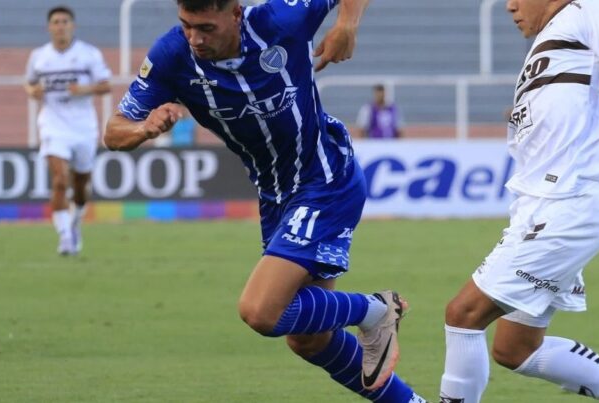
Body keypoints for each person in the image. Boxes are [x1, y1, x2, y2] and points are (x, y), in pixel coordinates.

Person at [104, 1, 425, 402]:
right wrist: (143, 130)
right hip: (276, 197)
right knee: (308, 340)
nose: (195, 39)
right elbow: (113, 132)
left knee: (260, 311)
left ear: (235, 14)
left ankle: (377, 310)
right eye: (186, 26)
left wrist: (347, 24)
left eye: (206, 27)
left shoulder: (281, 19)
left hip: (324, 179)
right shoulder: (172, 55)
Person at [439, 1, 599, 402]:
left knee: (463, 314)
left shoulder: (587, 9)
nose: (509, 6)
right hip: (540, 207)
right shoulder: (546, 44)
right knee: (514, 348)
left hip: (568, 204)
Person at [25, 5, 112, 256]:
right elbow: (30, 84)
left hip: (83, 126)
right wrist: (33, 92)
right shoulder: (39, 56)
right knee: (60, 180)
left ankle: (75, 221)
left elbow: (105, 85)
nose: (60, 26)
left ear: (72, 26)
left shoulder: (88, 54)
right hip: (53, 124)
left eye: (65, 21)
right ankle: (64, 236)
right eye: (56, 22)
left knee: (81, 184)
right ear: (49, 27)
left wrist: (84, 90)